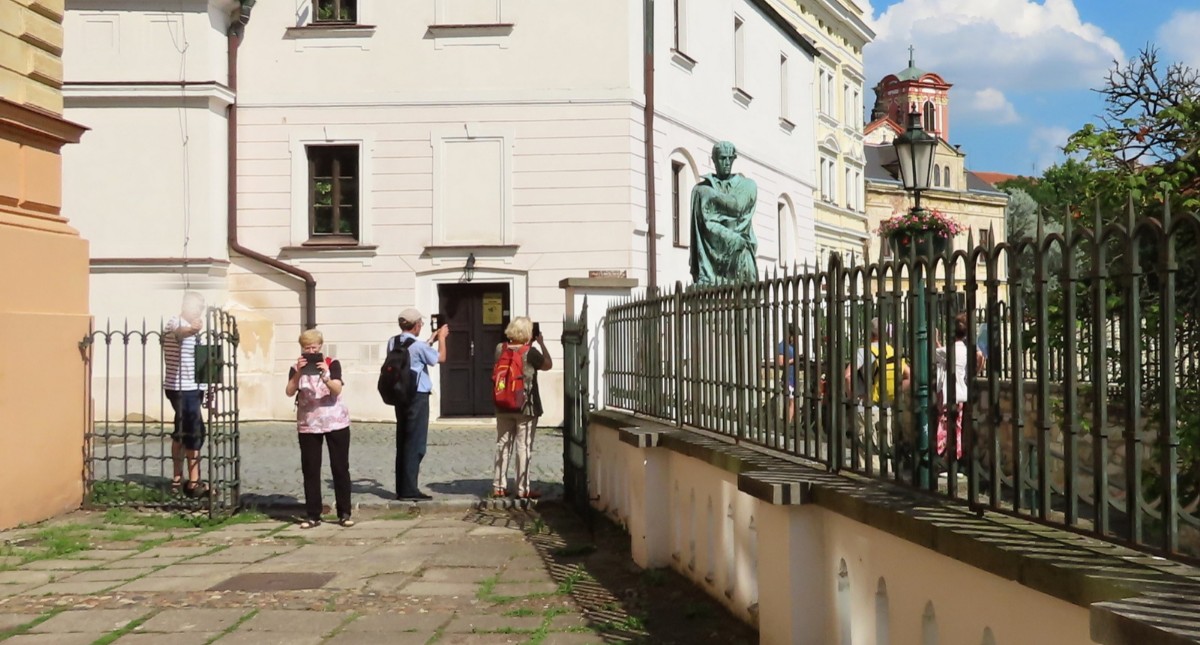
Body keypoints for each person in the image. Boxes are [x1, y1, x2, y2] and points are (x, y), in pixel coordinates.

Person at [285, 329, 352, 528]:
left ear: (321, 347)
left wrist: (326, 376)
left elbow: (337, 389)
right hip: (309, 423)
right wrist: (299, 372)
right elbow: (289, 391)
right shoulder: (295, 367)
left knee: (340, 467)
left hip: (335, 421)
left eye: (314, 348)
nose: (311, 352)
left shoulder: (332, 363)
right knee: (311, 469)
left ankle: (344, 512)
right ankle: (313, 514)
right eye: (307, 348)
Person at [389, 308, 448, 501]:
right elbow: (440, 358)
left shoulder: (393, 342)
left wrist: (430, 340)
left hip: (400, 394)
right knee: (416, 443)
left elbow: (414, 351)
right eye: (420, 324)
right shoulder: (418, 346)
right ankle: (409, 490)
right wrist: (442, 339)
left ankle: (402, 487)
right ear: (415, 325)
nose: (421, 326)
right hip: (417, 395)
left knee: (403, 439)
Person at [491, 317, 552, 499]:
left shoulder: (500, 348)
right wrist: (541, 343)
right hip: (526, 406)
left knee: (502, 444)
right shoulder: (530, 352)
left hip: (503, 404)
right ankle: (522, 488)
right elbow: (548, 365)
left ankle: (498, 486)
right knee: (523, 447)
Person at [689, 141, 759, 286]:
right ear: (714, 160)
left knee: (742, 249)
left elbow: (737, 206)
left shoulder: (747, 184)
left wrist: (710, 195)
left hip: (739, 247)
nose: (727, 162)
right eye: (722, 158)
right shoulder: (701, 189)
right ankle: (709, 275)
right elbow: (706, 222)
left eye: (730, 158)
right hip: (710, 245)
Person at [844, 318, 911, 457]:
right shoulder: (891, 351)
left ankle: (869, 471)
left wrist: (853, 397)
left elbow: (847, 376)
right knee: (885, 448)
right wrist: (895, 391)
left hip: (866, 406)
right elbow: (909, 376)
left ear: (869, 333)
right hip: (886, 406)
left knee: (867, 451)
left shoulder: (864, 351)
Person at [163, 292, 208, 498]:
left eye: (201, 307)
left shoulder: (198, 332)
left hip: (194, 387)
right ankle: (193, 482)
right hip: (180, 387)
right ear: (186, 306)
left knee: (182, 430)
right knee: (193, 431)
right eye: (197, 306)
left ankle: (178, 478)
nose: (199, 311)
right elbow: (178, 333)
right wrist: (191, 329)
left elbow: (201, 361)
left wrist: (207, 387)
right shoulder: (175, 322)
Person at [935, 313, 984, 460]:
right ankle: (956, 454)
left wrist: (935, 340)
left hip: (947, 393)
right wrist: (975, 372)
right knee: (957, 424)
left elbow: (938, 353)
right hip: (961, 392)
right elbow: (980, 356)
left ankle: (942, 454)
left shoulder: (949, 350)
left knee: (943, 423)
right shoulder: (966, 349)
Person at [775, 324, 803, 422]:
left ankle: (791, 422)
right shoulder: (782, 346)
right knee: (791, 402)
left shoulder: (792, 346)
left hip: (794, 377)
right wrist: (795, 359)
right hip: (789, 378)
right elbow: (781, 362)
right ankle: (788, 423)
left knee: (793, 402)